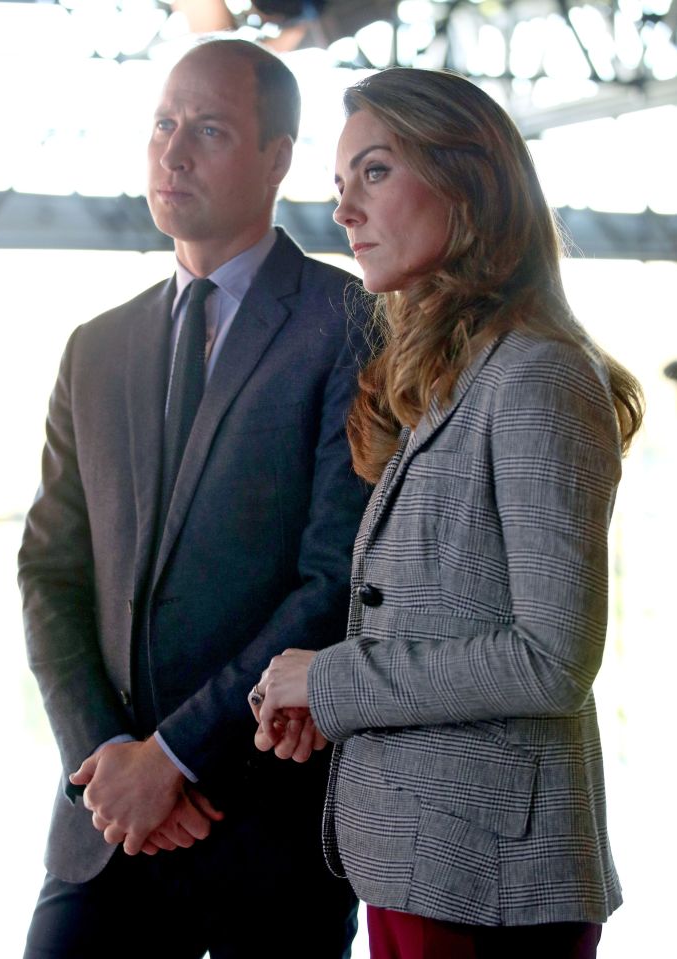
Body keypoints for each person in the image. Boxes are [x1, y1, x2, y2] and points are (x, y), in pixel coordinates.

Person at [251, 66, 644, 959]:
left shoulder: (537, 375)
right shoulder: (455, 378)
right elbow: (444, 616)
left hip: (490, 884)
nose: (345, 210)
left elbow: (551, 660)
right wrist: (335, 701)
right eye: (340, 183)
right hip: (422, 864)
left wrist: (335, 679)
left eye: (376, 171)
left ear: (470, 178)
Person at [18, 37, 368, 959]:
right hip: (107, 834)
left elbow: (333, 582)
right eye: (164, 125)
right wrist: (114, 771)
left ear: (278, 158)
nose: (173, 153)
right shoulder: (94, 348)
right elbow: (48, 572)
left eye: (208, 130)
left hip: (266, 838)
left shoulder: (352, 324)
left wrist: (173, 757)